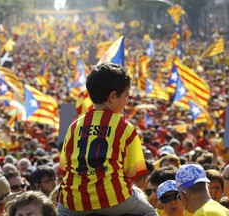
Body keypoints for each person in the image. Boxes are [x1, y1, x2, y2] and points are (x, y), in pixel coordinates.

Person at [58, 62, 157, 215]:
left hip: (73, 203)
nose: (128, 101)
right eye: (126, 96)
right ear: (112, 96)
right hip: (114, 200)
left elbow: (64, 167)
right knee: (151, 212)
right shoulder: (124, 127)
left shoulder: (73, 127)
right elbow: (134, 172)